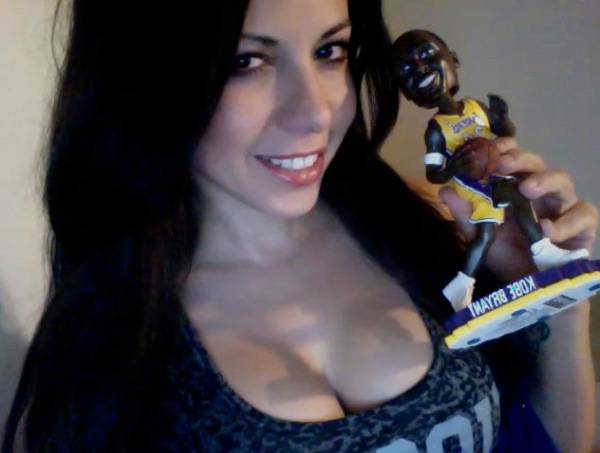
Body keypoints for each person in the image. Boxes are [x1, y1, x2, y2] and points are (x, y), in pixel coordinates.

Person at [2, 0, 596, 452]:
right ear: (149, 77)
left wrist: (559, 303)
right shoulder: (109, 342)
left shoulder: (421, 230)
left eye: (330, 51)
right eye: (246, 62)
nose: (315, 111)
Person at [392, 29, 590, 312]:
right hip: (471, 186)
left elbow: (504, 132)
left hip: (494, 177)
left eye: (427, 54)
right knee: (513, 200)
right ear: (407, 93)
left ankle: (463, 285)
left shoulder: (476, 107)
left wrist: (503, 119)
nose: (420, 68)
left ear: (453, 59)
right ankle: (542, 252)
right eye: (407, 70)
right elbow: (433, 174)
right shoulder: (436, 130)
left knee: (489, 233)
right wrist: (454, 167)